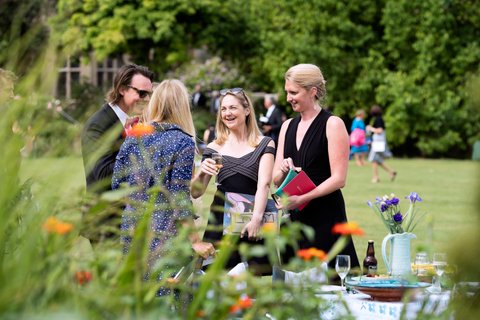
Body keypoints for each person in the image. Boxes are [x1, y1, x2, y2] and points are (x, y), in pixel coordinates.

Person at [112, 79, 215, 296]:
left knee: (138, 298)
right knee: (168, 300)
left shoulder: (133, 138)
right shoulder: (183, 141)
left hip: (132, 227)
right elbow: (179, 197)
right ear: (182, 106)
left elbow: (116, 187)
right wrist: (195, 241)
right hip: (164, 233)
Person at [272, 64, 360, 275]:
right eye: (287, 92)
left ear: (312, 91)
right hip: (294, 221)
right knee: (293, 289)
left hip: (325, 217)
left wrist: (303, 198)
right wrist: (284, 168)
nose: (288, 98)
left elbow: (339, 179)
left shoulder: (332, 124)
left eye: (294, 92)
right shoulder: (286, 127)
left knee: (331, 286)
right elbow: (276, 179)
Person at [191, 87, 275, 275]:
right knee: (217, 279)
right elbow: (196, 192)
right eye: (223, 109)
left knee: (252, 280)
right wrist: (202, 173)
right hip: (220, 222)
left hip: (251, 219)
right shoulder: (213, 147)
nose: (227, 113)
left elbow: (264, 185)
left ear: (246, 110)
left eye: (233, 108)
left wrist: (256, 219)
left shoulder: (265, 143)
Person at [82, 63, 154, 194]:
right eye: (142, 93)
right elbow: (103, 176)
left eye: (150, 94)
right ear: (122, 89)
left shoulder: (131, 121)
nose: (148, 99)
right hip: (105, 211)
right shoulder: (99, 124)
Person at [366, 104, 397, 183]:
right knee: (377, 160)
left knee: (373, 159)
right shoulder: (379, 119)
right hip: (378, 142)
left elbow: (379, 130)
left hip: (378, 143)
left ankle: (376, 177)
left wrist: (370, 128)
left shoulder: (378, 120)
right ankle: (391, 172)